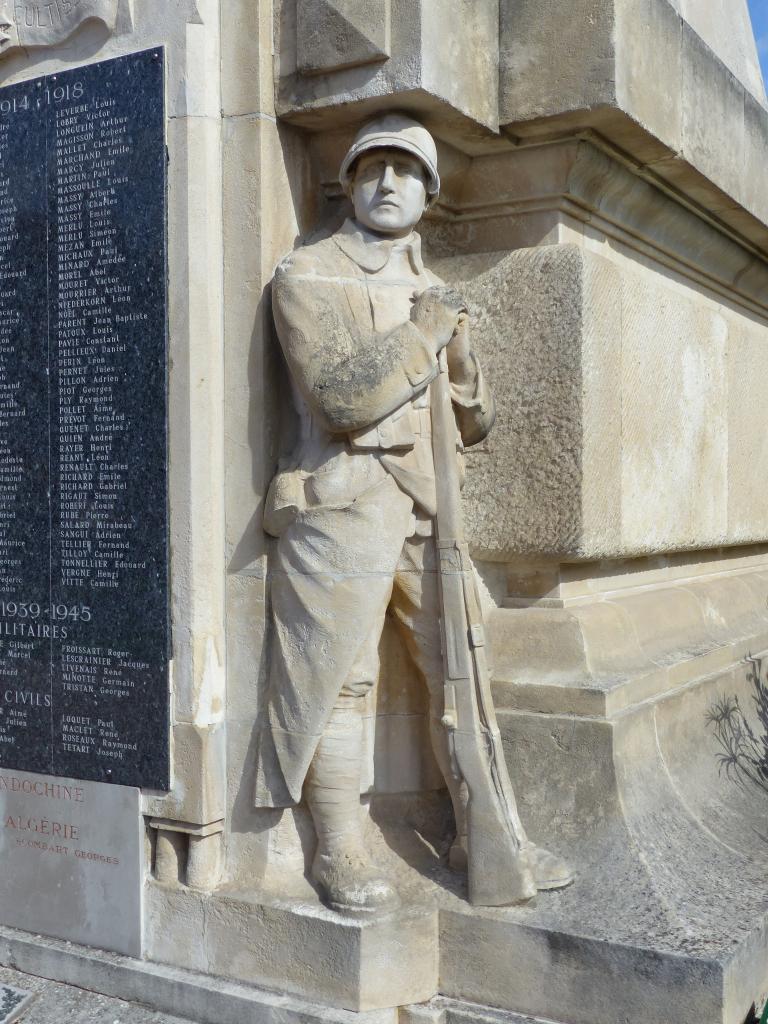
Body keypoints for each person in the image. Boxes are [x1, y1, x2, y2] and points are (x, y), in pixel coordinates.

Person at [256, 113, 572, 915]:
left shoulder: (432, 289)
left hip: (432, 505)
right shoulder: (307, 274)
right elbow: (338, 399)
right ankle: (338, 842)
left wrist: (459, 366)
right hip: (342, 501)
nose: (389, 183)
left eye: (407, 170)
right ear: (350, 183)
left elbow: (472, 425)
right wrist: (423, 335)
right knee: (341, 680)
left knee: (460, 673)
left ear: (430, 193)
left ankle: (485, 828)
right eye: (374, 168)